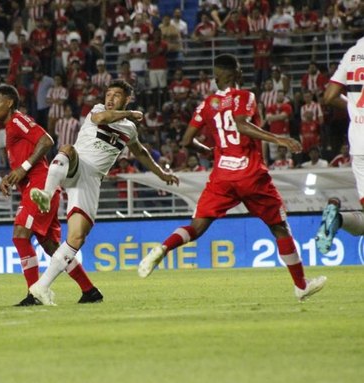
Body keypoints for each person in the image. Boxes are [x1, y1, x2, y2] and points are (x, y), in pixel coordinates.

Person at [137, 54, 326, 302]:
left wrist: (207, 150)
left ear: (216, 78)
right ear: (234, 73)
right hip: (249, 173)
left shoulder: (206, 104)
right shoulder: (245, 96)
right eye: (238, 68)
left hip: (222, 175)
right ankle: (301, 285)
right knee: (279, 227)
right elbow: (241, 125)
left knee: (197, 227)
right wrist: (278, 139)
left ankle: (162, 248)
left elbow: (185, 140)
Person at [28, 80, 178, 305]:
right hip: (77, 164)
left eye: (117, 95)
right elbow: (101, 119)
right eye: (109, 94)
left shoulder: (129, 129)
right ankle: (47, 195)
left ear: (127, 98)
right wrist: (128, 112)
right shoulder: (98, 110)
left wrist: (162, 174)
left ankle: (42, 287)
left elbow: (141, 153)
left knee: (76, 238)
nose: (110, 98)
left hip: (91, 180)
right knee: (67, 148)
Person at [0, 84, 103, 306]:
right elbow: (25, 157)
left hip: (40, 185)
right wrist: (12, 176)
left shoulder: (17, 120)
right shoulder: (10, 127)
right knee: (52, 247)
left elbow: (47, 140)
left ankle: (34, 295)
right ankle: (90, 291)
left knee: (20, 235)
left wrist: (23, 167)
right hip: (34, 184)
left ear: (10, 103)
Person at [315, 36, 364, 254]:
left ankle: (339, 220)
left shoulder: (353, 53)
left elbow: (329, 96)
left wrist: (353, 107)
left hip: (359, 144)